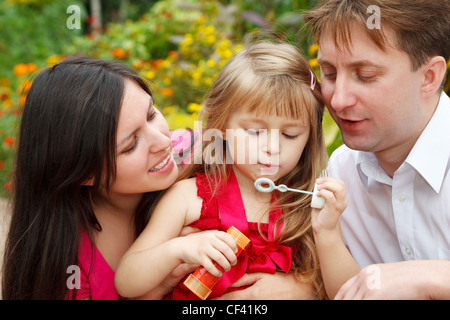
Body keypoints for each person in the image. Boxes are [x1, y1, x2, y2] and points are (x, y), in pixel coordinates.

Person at [115, 41, 353, 300]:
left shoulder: (306, 203)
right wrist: (179, 249)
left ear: (309, 138)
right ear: (222, 126)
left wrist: (326, 235)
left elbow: (349, 293)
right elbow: (127, 281)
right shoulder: (189, 197)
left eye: (290, 134)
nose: (272, 148)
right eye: (255, 132)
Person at [1, 57, 184, 299]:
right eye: (130, 146)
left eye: (151, 115)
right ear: (85, 173)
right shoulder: (71, 273)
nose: (164, 142)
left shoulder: (203, 155)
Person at [305, 0, 450, 299]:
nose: (339, 100)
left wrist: (431, 277)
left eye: (366, 75)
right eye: (329, 73)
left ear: (429, 77)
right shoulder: (340, 172)